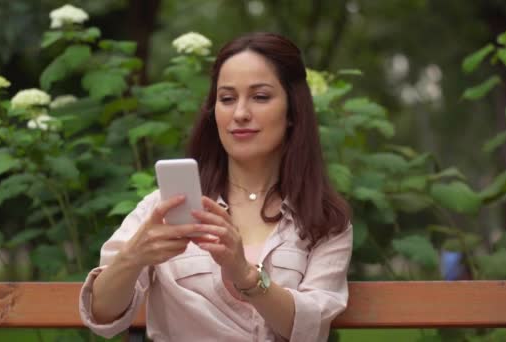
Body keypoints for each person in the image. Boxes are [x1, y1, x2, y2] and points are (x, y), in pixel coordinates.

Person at [79, 32, 353, 342]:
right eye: (227, 98)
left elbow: (311, 329)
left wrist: (245, 275)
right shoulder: (167, 206)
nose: (240, 114)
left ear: (292, 111)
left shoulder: (324, 219)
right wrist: (134, 257)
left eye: (260, 97)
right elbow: (101, 316)